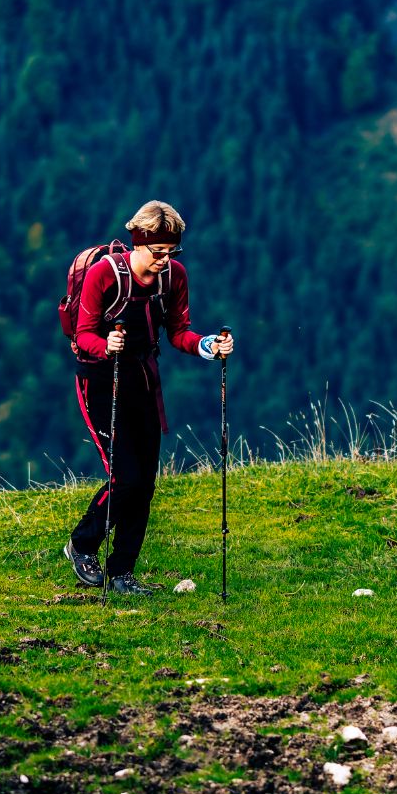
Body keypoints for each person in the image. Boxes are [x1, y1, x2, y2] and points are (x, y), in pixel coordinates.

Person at [64, 201, 234, 593]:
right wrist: (107, 344)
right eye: (157, 253)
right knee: (125, 478)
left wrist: (209, 345)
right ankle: (82, 544)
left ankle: (122, 572)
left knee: (145, 484)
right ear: (136, 242)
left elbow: (178, 332)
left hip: (143, 380)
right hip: (100, 379)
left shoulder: (174, 277)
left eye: (171, 252)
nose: (164, 260)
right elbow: (81, 335)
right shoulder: (104, 275)